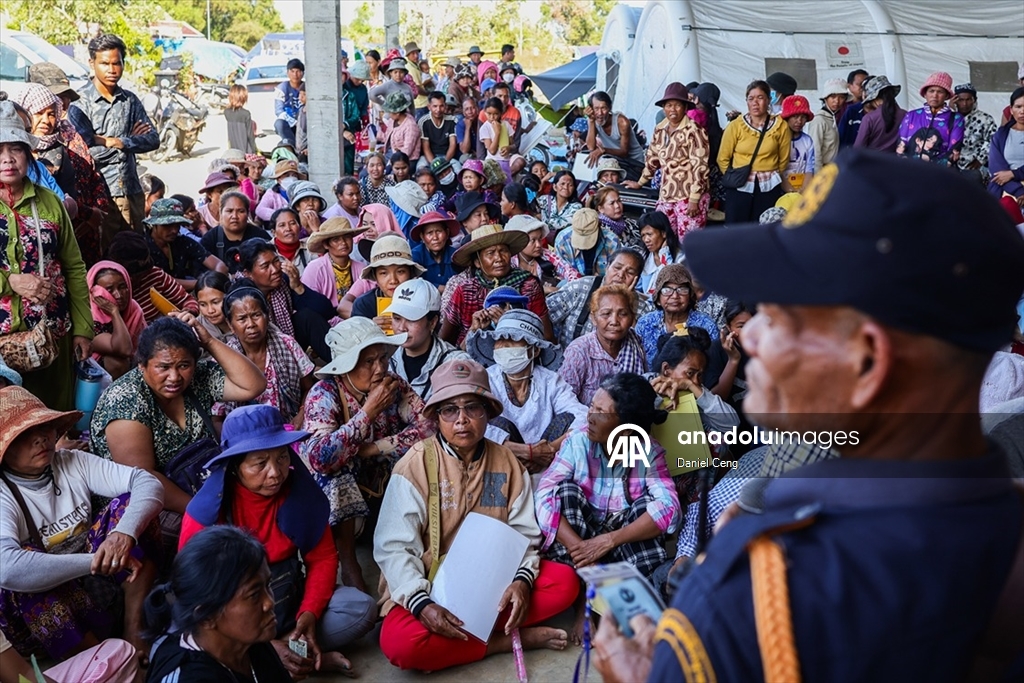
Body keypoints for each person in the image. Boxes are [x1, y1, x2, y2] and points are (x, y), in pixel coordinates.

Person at [596, 148, 1024, 683]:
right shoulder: (1007, 533)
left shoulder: (755, 590)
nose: (749, 334)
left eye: (778, 313)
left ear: (867, 361)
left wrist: (643, 675)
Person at [374, 358, 578, 671]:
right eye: (449, 410)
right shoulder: (415, 464)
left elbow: (524, 532)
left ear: (487, 414)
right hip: (432, 586)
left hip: (494, 584)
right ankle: (502, 640)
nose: (462, 420)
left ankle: (467, 634)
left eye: (473, 408)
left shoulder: (506, 461)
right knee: (400, 644)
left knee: (564, 583)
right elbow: (394, 547)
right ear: (437, 417)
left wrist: (522, 581)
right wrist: (423, 603)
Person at [180, 406, 377, 678]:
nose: (275, 472)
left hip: (287, 605)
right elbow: (195, 597)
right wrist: (265, 644)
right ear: (235, 467)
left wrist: (308, 615)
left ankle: (291, 653)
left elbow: (322, 559)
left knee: (360, 608)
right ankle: (289, 657)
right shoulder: (205, 515)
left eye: (282, 457)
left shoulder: (299, 491)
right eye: (260, 463)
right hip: (235, 619)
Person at [0, 385, 163, 659]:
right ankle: (97, 658)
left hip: (100, 578)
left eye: (44, 427)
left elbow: (147, 483)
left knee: (128, 508)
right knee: (16, 582)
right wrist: (93, 562)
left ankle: (134, 629)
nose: (41, 439)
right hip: (52, 605)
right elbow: (7, 568)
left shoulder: (72, 461)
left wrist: (123, 533)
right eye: (25, 435)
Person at [534, 372, 681, 643]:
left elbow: (670, 511)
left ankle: (607, 600)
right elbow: (543, 494)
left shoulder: (649, 453)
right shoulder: (577, 442)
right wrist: (585, 551)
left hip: (618, 544)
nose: (590, 416)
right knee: (563, 493)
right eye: (592, 406)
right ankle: (584, 602)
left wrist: (609, 540)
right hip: (579, 544)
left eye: (601, 412)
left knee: (646, 507)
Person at [301, 317, 435, 592]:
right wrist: (367, 413)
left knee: (424, 454)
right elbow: (320, 457)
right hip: (345, 500)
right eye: (368, 362)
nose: (379, 368)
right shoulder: (324, 394)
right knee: (336, 469)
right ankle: (348, 559)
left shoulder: (392, 385)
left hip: (384, 485)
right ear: (347, 366)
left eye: (382, 358)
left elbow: (430, 426)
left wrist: (375, 447)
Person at [90, 316, 265, 527]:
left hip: (197, 482)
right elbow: (143, 477)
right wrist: (203, 513)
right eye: (163, 367)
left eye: (184, 365)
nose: (174, 377)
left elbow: (253, 385)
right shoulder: (126, 401)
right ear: (142, 366)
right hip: (149, 501)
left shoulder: (200, 377)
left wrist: (209, 340)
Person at [1, 100, 92, 411]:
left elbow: (74, 268)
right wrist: (9, 281)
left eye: (16, 148)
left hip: (51, 336)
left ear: (29, 154)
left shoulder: (51, 203)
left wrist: (82, 329)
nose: (7, 159)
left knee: (53, 419)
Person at [145, 526, 293, 682]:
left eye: (268, 584)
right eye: (254, 595)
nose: (269, 602)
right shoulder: (189, 678)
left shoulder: (252, 645)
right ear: (206, 617)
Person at [466, 309, 587, 473]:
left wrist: (549, 450)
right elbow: (473, 425)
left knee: (568, 418)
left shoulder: (550, 380)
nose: (503, 346)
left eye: (513, 340)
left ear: (534, 350)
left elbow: (582, 417)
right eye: (500, 339)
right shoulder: (486, 379)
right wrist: (526, 452)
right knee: (496, 423)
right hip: (501, 462)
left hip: (547, 460)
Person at [68, 34, 159, 244]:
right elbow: (85, 156)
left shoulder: (130, 100)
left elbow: (153, 139)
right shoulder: (80, 105)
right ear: (92, 63)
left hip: (132, 192)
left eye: (117, 63)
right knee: (105, 258)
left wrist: (120, 142)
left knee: (135, 255)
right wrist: (127, 143)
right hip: (100, 197)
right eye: (105, 63)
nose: (111, 69)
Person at [9, 83, 111, 267]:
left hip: (78, 236)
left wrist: (94, 214)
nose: (47, 121)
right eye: (39, 113)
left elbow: (91, 178)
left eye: (51, 114)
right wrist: (87, 214)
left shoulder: (67, 145)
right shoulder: (17, 159)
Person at [212, 287, 315, 425]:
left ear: (267, 317)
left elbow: (309, 387)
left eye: (256, 315)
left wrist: (301, 414)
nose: (251, 324)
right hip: (245, 434)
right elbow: (217, 418)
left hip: (289, 427)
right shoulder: (223, 360)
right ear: (231, 325)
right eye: (242, 319)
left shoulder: (287, 344)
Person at [440, 224, 553, 346]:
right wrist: (474, 329)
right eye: (490, 253)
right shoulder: (465, 291)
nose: (499, 258)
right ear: (478, 262)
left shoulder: (528, 286)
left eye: (503, 251)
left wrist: (510, 324)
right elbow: (445, 340)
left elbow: (546, 337)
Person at [625, 83, 711, 239]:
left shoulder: (695, 130)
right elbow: (652, 158)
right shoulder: (660, 128)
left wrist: (694, 199)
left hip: (688, 197)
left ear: (685, 107)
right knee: (666, 240)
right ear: (663, 107)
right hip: (666, 196)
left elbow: (700, 166)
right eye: (669, 105)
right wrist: (640, 182)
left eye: (678, 105)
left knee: (689, 244)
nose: (673, 109)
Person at [234, 239, 335, 362]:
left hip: (287, 340)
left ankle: (343, 366)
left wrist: (298, 287)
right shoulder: (240, 296)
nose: (275, 269)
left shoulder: (283, 282)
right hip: (258, 352)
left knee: (307, 318)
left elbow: (327, 311)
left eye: (276, 261)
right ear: (248, 273)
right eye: (265, 266)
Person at [718, 80, 793, 224]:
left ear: (769, 100)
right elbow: (723, 158)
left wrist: (771, 172)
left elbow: (784, 158)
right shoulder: (736, 126)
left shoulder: (780, 126)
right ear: (746, 101)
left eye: (760, 98)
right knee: (737, 227)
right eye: (751, 99)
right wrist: (733, 177)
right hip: (740, 184)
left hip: (768, 185)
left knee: (763, 227)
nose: (755, 103)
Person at [560, 285, 648, 405]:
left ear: (632, 319)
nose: (614, 321)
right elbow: (564, 400)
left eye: (622, 314)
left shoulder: (637, 343)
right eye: (606, 314)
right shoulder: (578, 352)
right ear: (593, 318)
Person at [547, 248, 651, 348]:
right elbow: (544, 316)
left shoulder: (642, 309)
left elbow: (645, 346)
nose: (621, 275)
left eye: (630, 272)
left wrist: (626, 302)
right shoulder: (581, 288)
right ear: (607, 268)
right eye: (617, 268)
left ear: (637, 280)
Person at [385, 278, 470, 399]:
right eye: (397, 318)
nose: (401, 328)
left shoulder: (455, 363)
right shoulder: (384, 361)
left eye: (411, 320)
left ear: (432, 322)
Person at [636, 263, 720, 367]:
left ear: (690, 297)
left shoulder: (707, 326)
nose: (675, 296)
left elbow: (712, 367)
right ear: (657, 298)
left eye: (682, 290)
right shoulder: (645, 323)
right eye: (667, 290)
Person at [106, 230, 199, 322]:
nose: (134, 279)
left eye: (140, 274)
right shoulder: (106, 289)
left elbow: (187, 300)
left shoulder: (155, 275)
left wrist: (188, 312)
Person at [145, 198, 227, 291]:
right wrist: (203, 283)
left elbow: (219, 264)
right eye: (167, 225)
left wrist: (215, 281)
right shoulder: (142, 247)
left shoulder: (182, 242)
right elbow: (159, 281)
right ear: (154, 224)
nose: (174, 230)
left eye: (177, 225)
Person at [87, 260, 146, 379]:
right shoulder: (90, 316)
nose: (118, 295)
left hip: (134, 365)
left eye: (122, 287)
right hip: (92, 375)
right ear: (94, 291)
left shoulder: (133, 309)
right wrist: (114, 313)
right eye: (109, 290)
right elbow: (124, 349)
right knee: (117, 364)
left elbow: (145, 347)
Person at [350, 234, 426, 325]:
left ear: (410, 273)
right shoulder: (364, 304)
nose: (393, 280)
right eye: (384, 273)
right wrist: (369, 328)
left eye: (400, 272)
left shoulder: (423, 301)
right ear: (375, 276)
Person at [301, 217, 369, 314]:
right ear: (326, 244)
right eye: (336, 239)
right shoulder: (315, 269)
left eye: (347, 237)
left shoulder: (361, 268)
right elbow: (309, 305)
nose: (343, 243)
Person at [897, 71, 965, 166]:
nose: (935, 95)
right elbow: (901, 145)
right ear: (925, 94)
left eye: (940, 92)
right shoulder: (911, 115)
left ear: (946, 96)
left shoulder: (956, 119)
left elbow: (954, 151)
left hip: (938, 174)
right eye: (931, 91)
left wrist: (932, 171)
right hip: (909, 171)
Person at [201, 191, 271, 271]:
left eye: (240, 211)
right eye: (229, 211)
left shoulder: (260, 236)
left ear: (247, 213)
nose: (234, 216)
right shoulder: (210, 239)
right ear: (221, 212)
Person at [584, 91, 646, 181]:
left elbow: (624, 152)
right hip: (617, 161)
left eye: (603, 108)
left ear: (609, 108)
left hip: (635, 163)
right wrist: (591, 121)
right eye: (596, 109)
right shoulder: (593, 120)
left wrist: (603, 150)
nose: (600, 113)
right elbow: (590, 147)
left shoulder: (622, 122)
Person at [553, 206, 621, 279]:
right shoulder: (562, 240)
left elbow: (616, 275)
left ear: (599, 225)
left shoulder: (612, 241)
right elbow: (561, 273)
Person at [953, 83, 997, 183]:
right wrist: (951, 111)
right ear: (955, 100)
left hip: (975, 165)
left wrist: (980, 160)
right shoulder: (949, 118)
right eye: (960, 100)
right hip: (951, 164)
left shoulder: (985, 119)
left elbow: (993, 141)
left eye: (968, 99)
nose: (964, 104)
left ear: (974, 100)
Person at [988, 86, 1024, 207]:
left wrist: (1015, 174)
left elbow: (1008, 175)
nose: (1022, 111)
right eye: (1018, 107)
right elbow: (997, 171)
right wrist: (1019, 190)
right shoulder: (1000, 135)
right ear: (1011, 110)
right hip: (1006, 189)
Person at [410, 211, 463, 290]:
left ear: (447, 233)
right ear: (422, 237)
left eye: (439, 231)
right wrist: (439, 288)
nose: (435, 237)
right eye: (429, 233)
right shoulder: (416, 256)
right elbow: (413, 283)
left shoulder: (456, 256)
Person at [637, 210, 683, 298]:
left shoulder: (680, 259)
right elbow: (638, 288)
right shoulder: (644, 258)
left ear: (664, 233)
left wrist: (664, 254)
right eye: (643, 235)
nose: (646, 240)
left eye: (649, 234)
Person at [854, 75, 906, 153]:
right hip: (898, 162)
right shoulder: (906, 115)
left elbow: (858, 149)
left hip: (874, 163)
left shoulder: (869, 119)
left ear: (875, 98)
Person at [806, 78, 848, 171]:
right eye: (833, 97)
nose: (837, 101)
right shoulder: (819, 120)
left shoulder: (832, 118)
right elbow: (815, 152)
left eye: (841, 97)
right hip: (823, 171)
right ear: (826, 98)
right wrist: (819, 177)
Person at [780, 94, 816, 192]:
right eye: (795, 117)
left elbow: (809, 168)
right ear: (786, 118)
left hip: (802, 189)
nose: (799, 121)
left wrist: (804, 190)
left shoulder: (807, 141)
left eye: (803, 117)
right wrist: (790, 190)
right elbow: (778, 170)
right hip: (782, 188)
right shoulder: (779, 140)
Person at [593, 185, 643, 252]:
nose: (617, 206)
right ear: (601, 209)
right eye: (612, 203)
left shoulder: (630, 223)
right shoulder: (599, 231)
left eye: (619, 201)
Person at [255, 159, 303, 224]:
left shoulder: (302, 193)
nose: (291, 178)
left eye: (294, 175)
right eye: (287, 176)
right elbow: (260, 210)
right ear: (278, 179)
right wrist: (281, 216)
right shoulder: (272, 194)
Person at [193, 270, 233, 345]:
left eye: (215, 302)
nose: (210, 311)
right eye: (203, 304)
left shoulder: (244, 323)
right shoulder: (197, 327)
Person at [270, 207, 314, 275]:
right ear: (273, 232)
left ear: (300, 228)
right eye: (282, 225)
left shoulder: (310, 248)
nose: (288, 229)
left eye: (292, 223)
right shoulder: (266, 251)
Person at [537, 170, 583, 235]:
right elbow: (530, 210)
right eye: (562, 184)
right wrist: (542, 181)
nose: (565, 187)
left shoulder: (577, 207)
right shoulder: (544, 199)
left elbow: (558, 224)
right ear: (555, 187)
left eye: (570, 185)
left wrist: (539, 218)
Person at [419, 91, 457, 169]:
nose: (438, 109)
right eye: (435, 106)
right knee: (420, 168)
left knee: (458, 169)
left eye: (441, 106)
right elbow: (426, 147)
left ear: (445, 106)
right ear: (429, 107)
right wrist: (435, 164)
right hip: (429, 157)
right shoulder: (423, 122)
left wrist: (445, 162)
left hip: (447, 156)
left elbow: (452, 145)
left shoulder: (452, 120)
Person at [380, 93, 421, 163]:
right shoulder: (392, 121)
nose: (389, 114)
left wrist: (390, 163)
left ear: (397, 113)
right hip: (390, 155)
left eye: (390, 112)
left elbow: (407, 151)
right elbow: (387, 137)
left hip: (405, 161)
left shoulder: (411, 126)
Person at [273, 58, 304, 147]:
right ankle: (292, 146)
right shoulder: (282, 88)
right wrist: (294, 123)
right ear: (288, 72)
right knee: (279, 123)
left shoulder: (306, 87)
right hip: (289, 123)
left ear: (302, 73)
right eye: (292, 71)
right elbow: (279, 111)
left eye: (298, 71)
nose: (295, 74)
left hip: (304, 123)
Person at [836, 69, 870, 149]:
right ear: (849, 86)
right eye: (859, 84)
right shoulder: (841, 106)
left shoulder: (871, 107)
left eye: (866, 84)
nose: (863, 88)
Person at [224, 84, 257, 154]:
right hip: (245, 151)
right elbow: (250, 135)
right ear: (243, 98)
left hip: (234, 151)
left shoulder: (226, 112)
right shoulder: (246, 114)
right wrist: (254, 151)